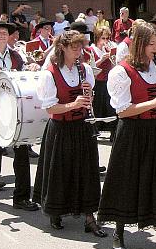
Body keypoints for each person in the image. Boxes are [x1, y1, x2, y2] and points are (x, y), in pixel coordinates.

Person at [98, 23, 156, 249]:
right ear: (138, 45)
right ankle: (119, 233)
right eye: (151, 45)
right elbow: (123, 111)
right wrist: (155, 101)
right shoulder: (121, 71)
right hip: (133, 132)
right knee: (127, 181)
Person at [32, 30, 105, 236]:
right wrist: (73, 104)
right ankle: (56, 212)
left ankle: (90, 218)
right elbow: (50, 108)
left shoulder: (84, 70)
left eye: (80, 47)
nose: (78, 51)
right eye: (74, 47)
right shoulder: (50, 73)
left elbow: (89, 97)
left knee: (87, 171)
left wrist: (88, 94)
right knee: (61, 170)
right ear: (62, 48)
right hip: (61, 129)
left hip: (81, 126)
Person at [0, 22, 34, 209]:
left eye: (5, 33)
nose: (3, 35)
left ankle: (21, 197)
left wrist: (29, 70)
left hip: (15, 109)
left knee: (21, 151)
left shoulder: (15, 56)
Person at [90, 26, 117, 138]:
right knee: (97, 107)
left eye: (107, 38)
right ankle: (96, 130)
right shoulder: (91, 50)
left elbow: (114, 65)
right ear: (97, 38)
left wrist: (113, 58)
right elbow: (90, 68)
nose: (106, 41)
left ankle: (113, 131)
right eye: (103, 38)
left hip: (109, 81)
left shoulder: (108, 48)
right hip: (97, 82)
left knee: (110, 107)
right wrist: (102, 59)